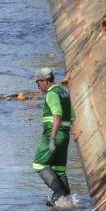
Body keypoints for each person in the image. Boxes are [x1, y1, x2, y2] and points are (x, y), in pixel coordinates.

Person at [31, 67, 74, 200]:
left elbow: (57, 114)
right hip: (65, 136)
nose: (38, 86)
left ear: (45, 81)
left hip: (53, 135)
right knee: (59, 169)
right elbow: (72, 116)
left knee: (38, 164)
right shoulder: (64, 92)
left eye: (38, 83)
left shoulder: (52, 94)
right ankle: (67, 200)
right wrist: (63, 136)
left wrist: (52, 138)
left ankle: (59, 193)